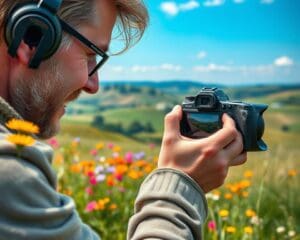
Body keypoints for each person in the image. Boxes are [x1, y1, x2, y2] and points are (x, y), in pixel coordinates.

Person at [0, 0, 247, 239]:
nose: (92, 84)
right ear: (31, 36)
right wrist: (181, 184)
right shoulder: (9, 174)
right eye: (89, 54)